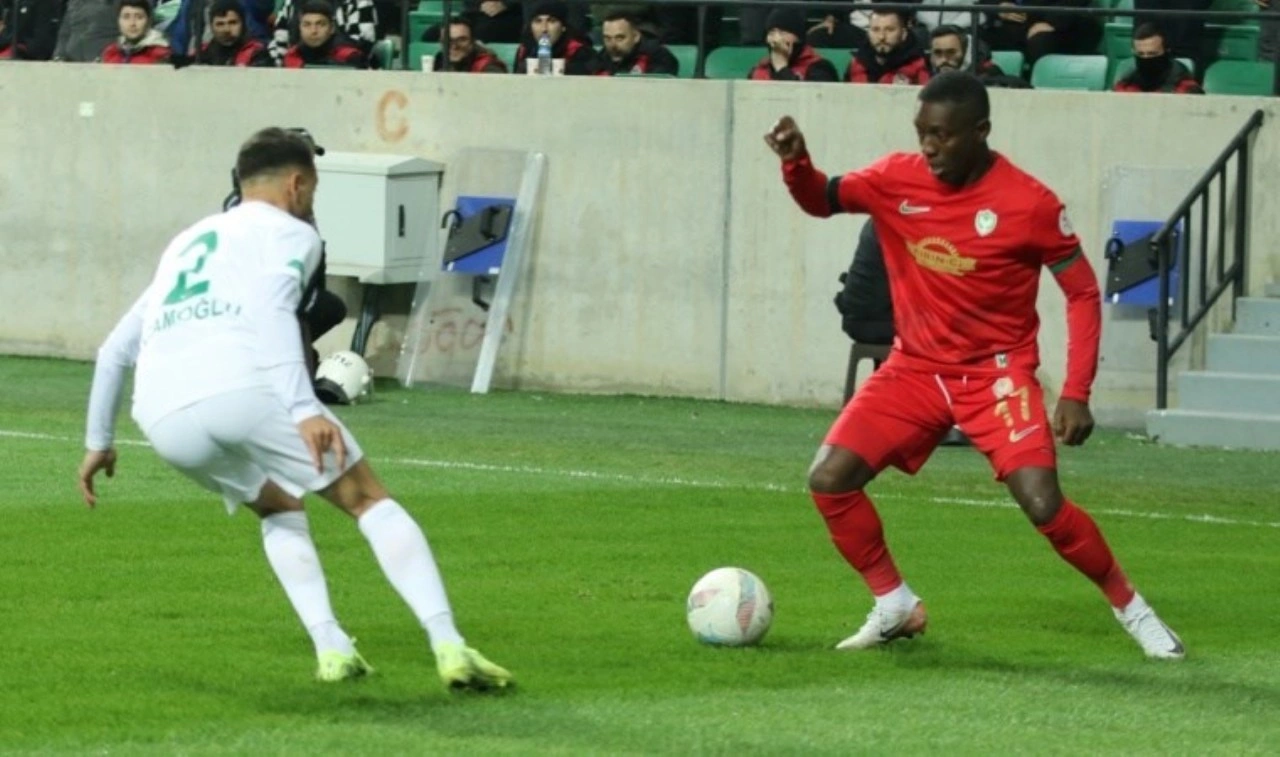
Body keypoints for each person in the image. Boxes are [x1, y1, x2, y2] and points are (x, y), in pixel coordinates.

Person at [763, 71, 1184, 660]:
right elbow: (820, 198)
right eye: (922, 133)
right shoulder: (895, 178)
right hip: (914, 369)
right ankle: (894, 603)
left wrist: (1076, 390)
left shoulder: (1030, 204)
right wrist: (796, 162)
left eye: (942, 135)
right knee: (829, 479)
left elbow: (1083, 292)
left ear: (981, 131)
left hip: (996, 376)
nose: (929, 146)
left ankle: (1134, 610)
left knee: (1043, 503)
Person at [77, 127, 513, 691]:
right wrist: (304, 407)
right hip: (243, 389)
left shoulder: (188, 241)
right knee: (368, 501)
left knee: (278, 504)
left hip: (163, 417)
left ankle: (332, 649)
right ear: (297, 183)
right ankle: (449, 646)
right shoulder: (292, 233)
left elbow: (114, 349)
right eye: (314, 189)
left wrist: (98, 442)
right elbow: (272, 311)